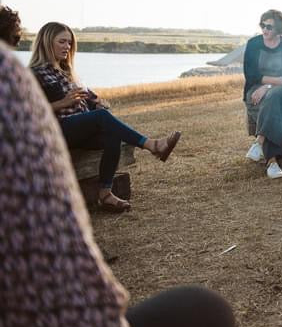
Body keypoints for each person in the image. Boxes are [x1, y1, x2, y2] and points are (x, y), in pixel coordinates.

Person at [0, 0, 234, 327]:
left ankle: (112, 182)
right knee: (204, 316)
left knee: (104, 120)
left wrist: (85, 96)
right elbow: (70, 292)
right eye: (59, 41)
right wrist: (71, 103)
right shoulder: (28, 78)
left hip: (82, 125)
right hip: (61, 132)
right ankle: (148, 147)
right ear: (44, 44)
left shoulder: (58, 74)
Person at [29, 22, 181, 211]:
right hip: (56, 130)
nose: (67, 47)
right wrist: (62, 103)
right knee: (102, 118)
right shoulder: (34, 74)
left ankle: (105, 194)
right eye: (62, 42)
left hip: (79, 129)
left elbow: (90, 98)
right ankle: (152, 145)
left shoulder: (68, 72)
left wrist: (99, 103)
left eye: (69, 43)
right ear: (46, 42)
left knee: (113, 133)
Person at [243, 9, 282, 179]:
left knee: (274, 97)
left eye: (269, 27)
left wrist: (268, 85)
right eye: (263, 25)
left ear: (279, 29)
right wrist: (269, 84)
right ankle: (272, 162)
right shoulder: (254, 43)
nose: (265, 30)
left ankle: (260, 141)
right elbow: (251, 75)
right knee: (272, 109)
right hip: (255, 91)